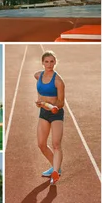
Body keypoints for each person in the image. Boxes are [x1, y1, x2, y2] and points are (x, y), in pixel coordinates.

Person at [34, 51, 65, 185]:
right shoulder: (38, 75)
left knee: (56, 144)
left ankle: (55, 172)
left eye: (52, 61)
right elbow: (40, 91)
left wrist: (53, 107)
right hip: (43, 113)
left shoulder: (58, 81)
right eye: (47, 61)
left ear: (55, 62)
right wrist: (40, 102)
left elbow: (61, 102)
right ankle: (55, 167)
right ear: (42, 62)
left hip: (56, 114)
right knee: (41, 144)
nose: (49, 64)